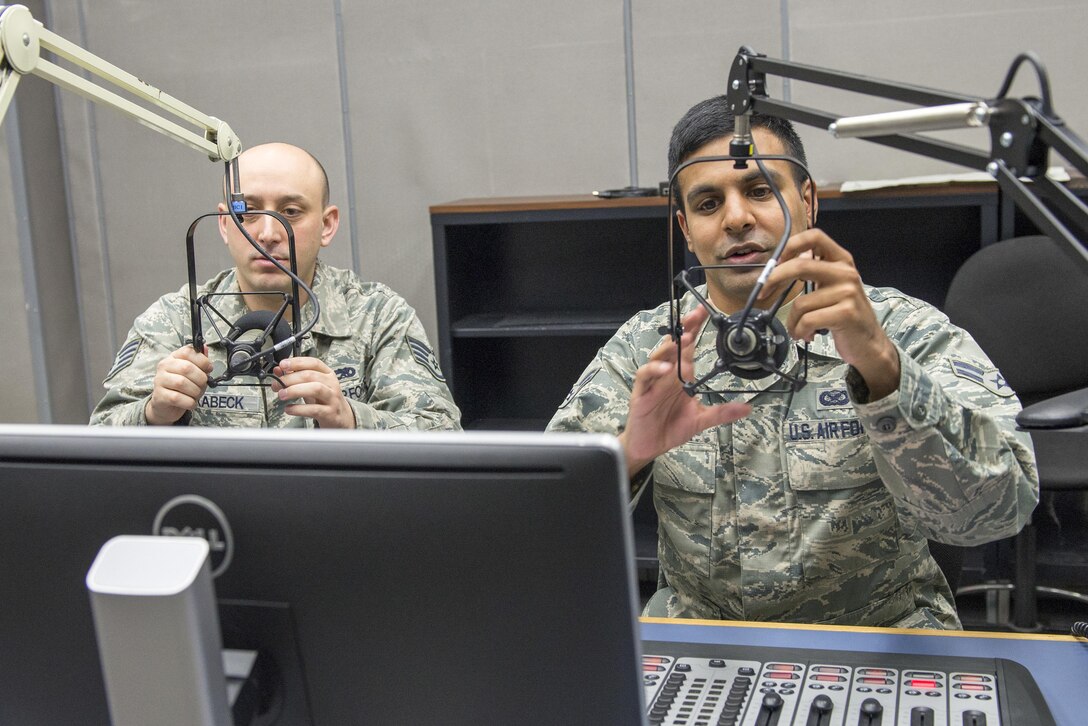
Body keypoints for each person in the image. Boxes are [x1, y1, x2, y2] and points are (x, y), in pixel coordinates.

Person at [547, 97, 1038, 628]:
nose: (737, 218)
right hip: (703, 643)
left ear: (806, 201)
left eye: (759, 191)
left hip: (879, 641)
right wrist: (630, 454)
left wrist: (884, 370)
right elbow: (535, 530)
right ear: (686, 230)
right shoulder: (651, 350)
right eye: (708, 204)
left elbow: (1002, 508)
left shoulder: (902, 330)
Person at [91, 142, 461, 431]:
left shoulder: (377, 317)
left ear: (327, 225)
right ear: (223, 224)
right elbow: (98, 443)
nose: (266, 234)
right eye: (247, 212)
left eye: (290, 212)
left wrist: (350, 419)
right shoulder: (174, 321)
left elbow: (442, 436)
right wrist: (154, 412)